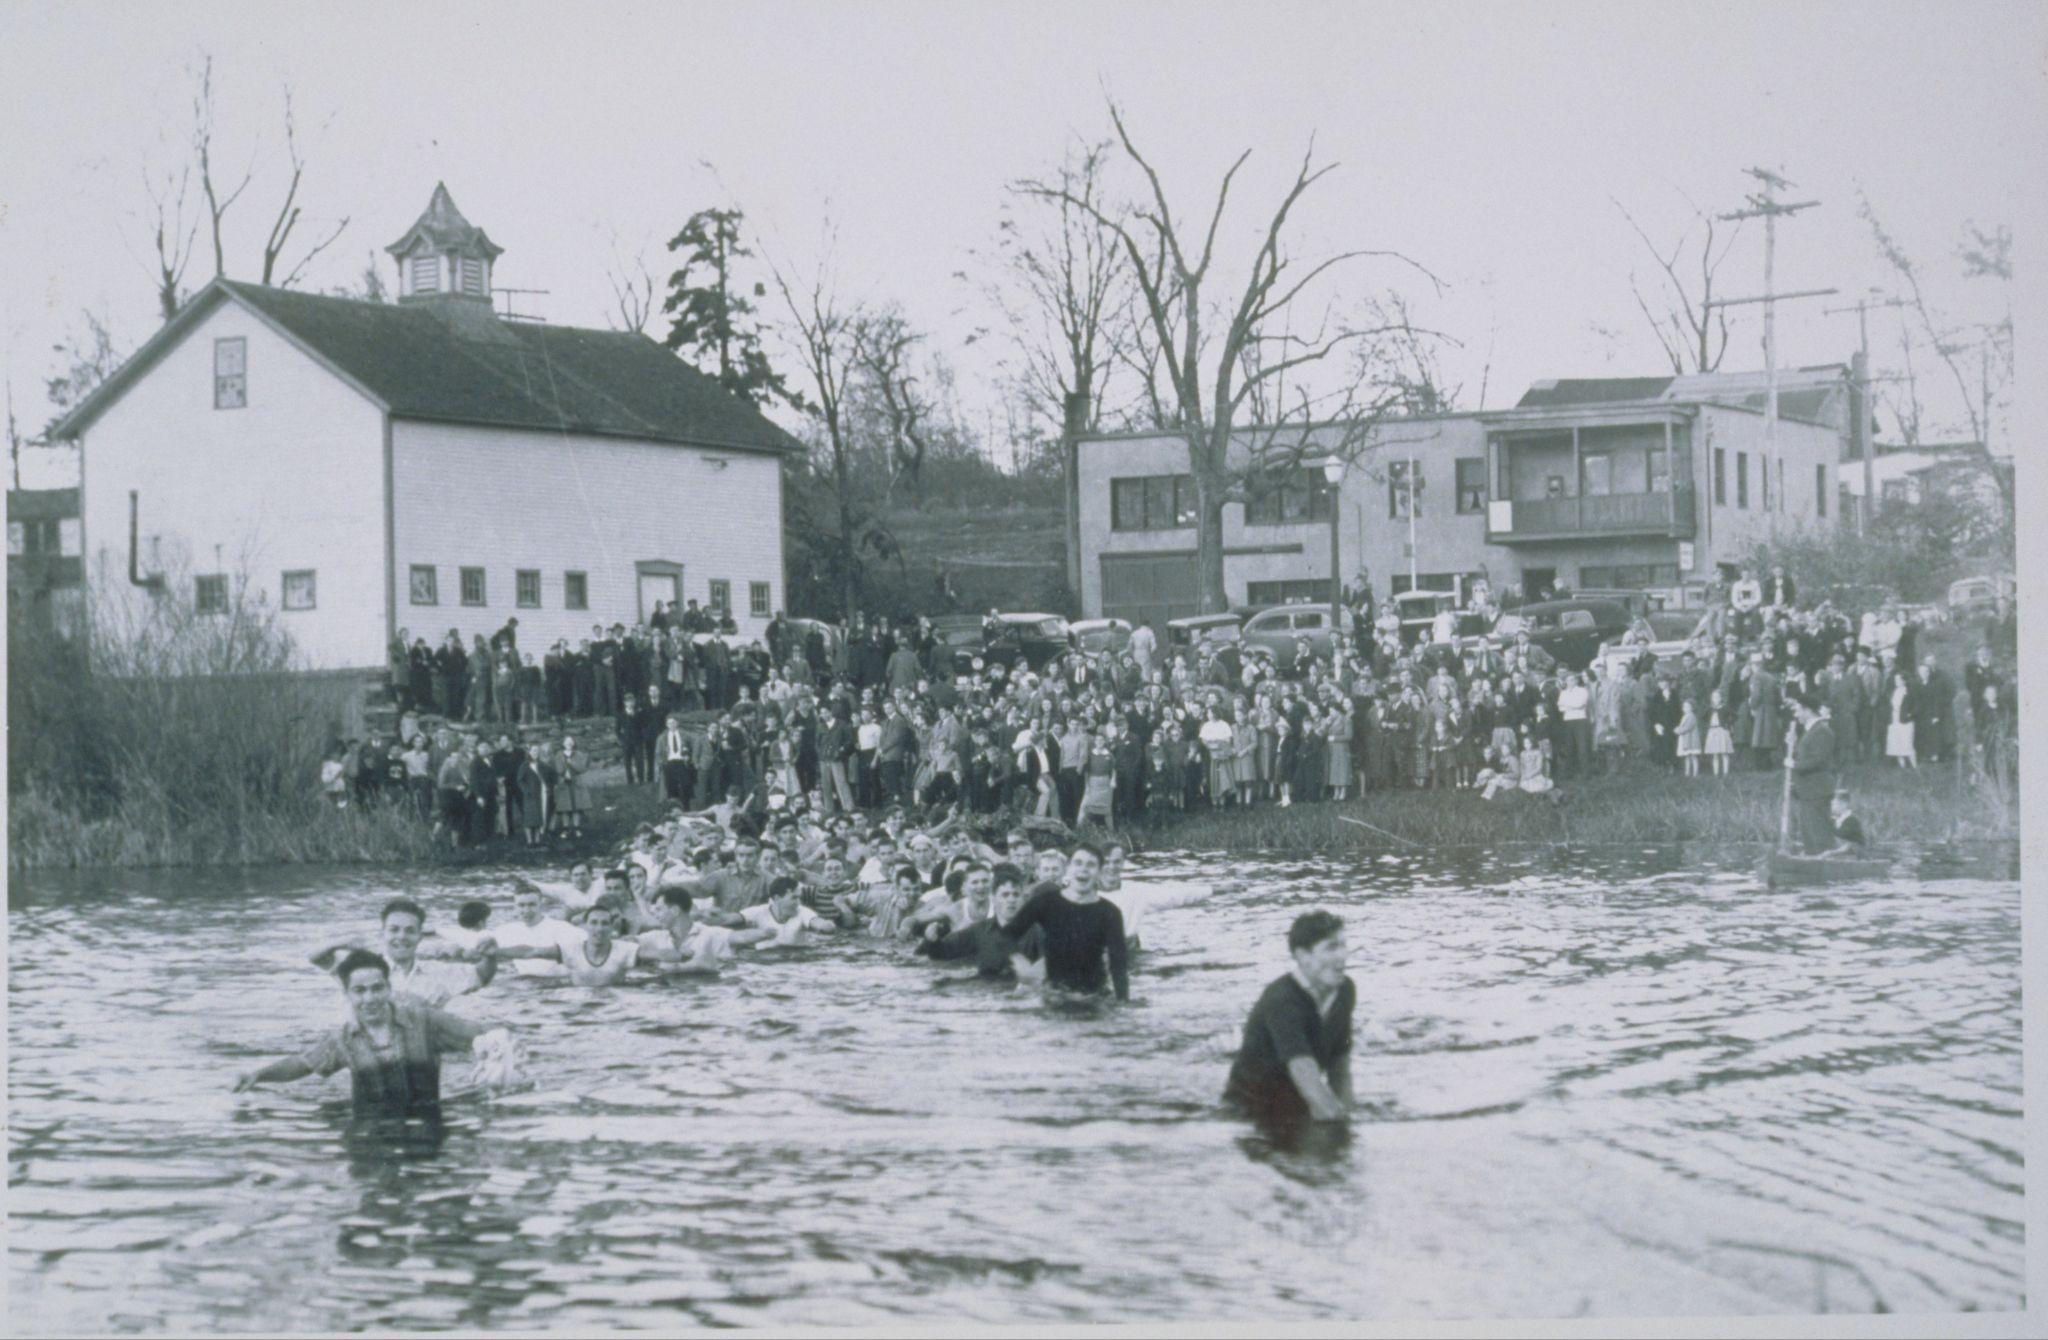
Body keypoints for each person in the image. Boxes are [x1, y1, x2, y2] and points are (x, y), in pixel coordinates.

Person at [234, 949, 503, 1119]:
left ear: (388, 988)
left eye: (377, 989)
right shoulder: (343, 1038)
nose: (370, 998)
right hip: (367, 1127)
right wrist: (258, 1076)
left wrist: (500, 1052)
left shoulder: (425, 1021)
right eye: (360, 991)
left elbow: (481, 1035)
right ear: (348, 994)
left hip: (430, 1119)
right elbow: (303, 1064)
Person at [1223, 910, 1355, 1128]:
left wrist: (1349, 1115)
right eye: (1331, 947)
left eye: (1343, 945)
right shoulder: (1282, 1000)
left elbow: (1340, 1065)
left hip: (1297, 1099)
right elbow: (1303, 1069)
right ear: (1303, 956)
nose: (1342, 955)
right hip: (1251, 1108)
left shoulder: (1344, 990)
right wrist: (1336, 1121)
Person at [309, 898, 498, 1008]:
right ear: (382, 934)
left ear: (420, 936)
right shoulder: (360, 968)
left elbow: (483, 975)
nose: (401, 936)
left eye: (410, 931)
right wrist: (343, 942)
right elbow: (316, 957)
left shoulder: (440, 971)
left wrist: (490, 953)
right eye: (394, 930)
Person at [1002, 843, 1129, 1001]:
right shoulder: (1046, 902)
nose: (1083, 869)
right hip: (1054, 995)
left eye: (1091, 865)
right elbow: (1004, 935)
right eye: (1078, 863)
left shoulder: (1110, 913)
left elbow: (1119, 967)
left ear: (1099, 872)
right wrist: (1019, 961)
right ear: (1069, 868)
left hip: (1093, 996)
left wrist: (1123, 1004)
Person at [1785, 699, 1836, 854]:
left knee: (1818, 833)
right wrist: (1792, 746)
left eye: (1798, 710)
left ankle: (1825, 864)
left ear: (1808, 710)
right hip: (1806, 791)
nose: (1796, 715)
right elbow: (1803, 756)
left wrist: (1794, 765)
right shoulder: (1810, 731)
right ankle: (1812, 862)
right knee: (1808, 833)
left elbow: (1818, 759)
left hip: (1817, 790)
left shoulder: (1822, 731)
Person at [739, 876, 840, 947]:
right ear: (777, 898)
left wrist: (825, 926)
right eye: (794, 898)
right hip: (765, 963)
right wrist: (757, 934)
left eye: (799, 898)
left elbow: (820, 923)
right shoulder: (758, 912)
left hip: (797, 960)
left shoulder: (802, 911)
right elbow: (727, 921)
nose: (798, 902)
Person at [1825, 789, 1869, 855]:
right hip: (1840, 854)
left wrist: (1832, 852)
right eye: (1832, 804)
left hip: (1854, 855)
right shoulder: (1834, 820)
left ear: (1844, 804)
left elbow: (1852, 845)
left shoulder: (1852, 821)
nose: (1832, 807)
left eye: (1834, 804)